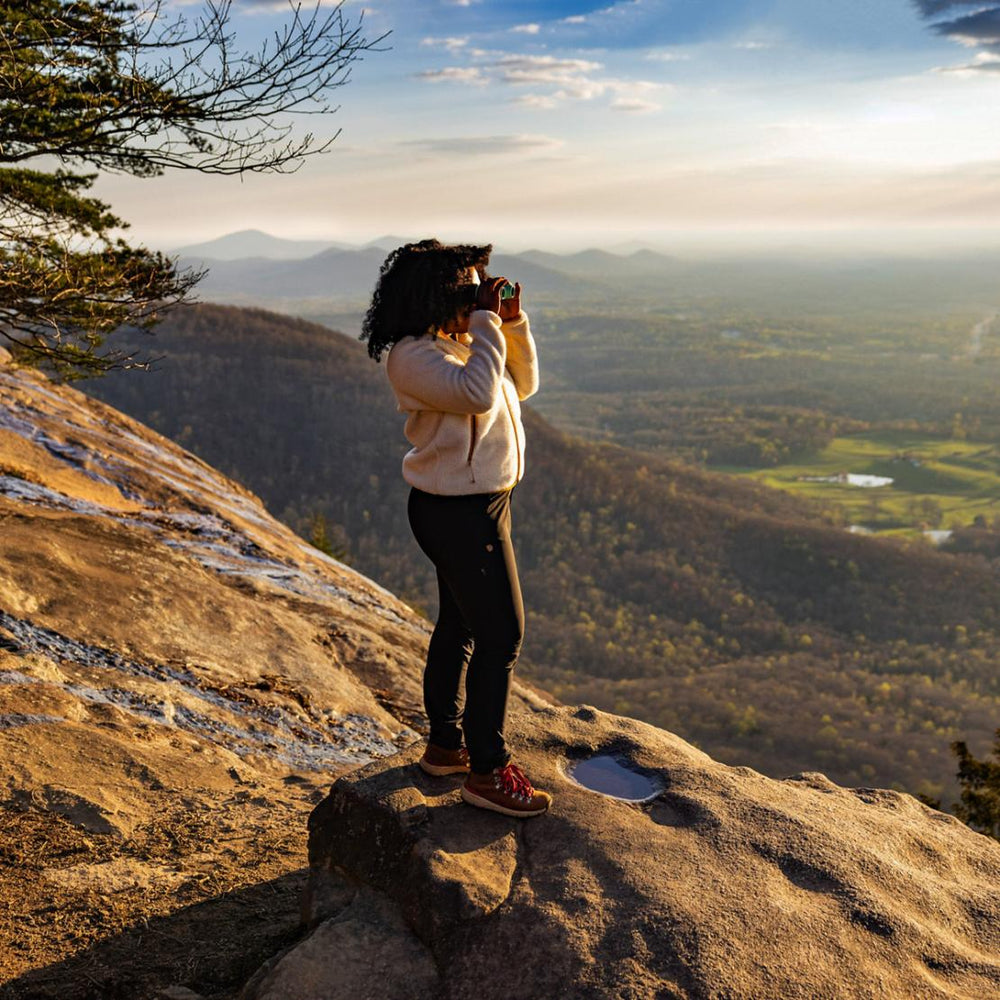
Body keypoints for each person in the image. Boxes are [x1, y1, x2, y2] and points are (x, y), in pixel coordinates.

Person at [361, 239, 551, 818]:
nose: (476, 298)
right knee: (503, 636)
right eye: (467, 290)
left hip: (481, 504)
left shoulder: (462, 343)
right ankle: (488, 772)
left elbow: (521, 384)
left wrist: (510, 324)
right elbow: (477, 395)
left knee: (462, 625)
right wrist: (488, 322)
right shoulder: (412, 356)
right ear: (435, 295)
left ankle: (446, 746)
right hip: (458, 512)